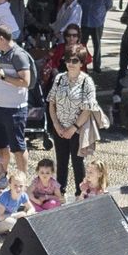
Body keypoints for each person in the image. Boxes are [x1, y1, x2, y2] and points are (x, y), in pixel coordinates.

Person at [46, 45, 96, 195]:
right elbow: (51, 103)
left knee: (78, 162)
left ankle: (80, 193)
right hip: (59, 128)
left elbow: (88, 109)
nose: (71, 63)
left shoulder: (86, 81)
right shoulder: (59, 78)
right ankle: (59, 193)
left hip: (78, 129)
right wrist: (56, 125)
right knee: (61, 162)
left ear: (81, 63)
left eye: (75, 60)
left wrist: (73, 128)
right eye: (68, 60)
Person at [0, 25, 34, 175]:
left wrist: (3, 77)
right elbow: (0, 76)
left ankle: (22, 178)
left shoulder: (18, 55)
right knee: (1, 146)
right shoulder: (3, 54)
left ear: (1, 38)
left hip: (15, 109)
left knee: (18, 147)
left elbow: (26, 82)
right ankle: (3, 175)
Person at [76, 0, 112, 68]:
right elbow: (77, 1)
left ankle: (97, 66)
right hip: (84, 22)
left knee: (97, 44)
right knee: (82, 44)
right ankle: (82, 64)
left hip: (97, 22)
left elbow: (109, 5)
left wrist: (99, 13)